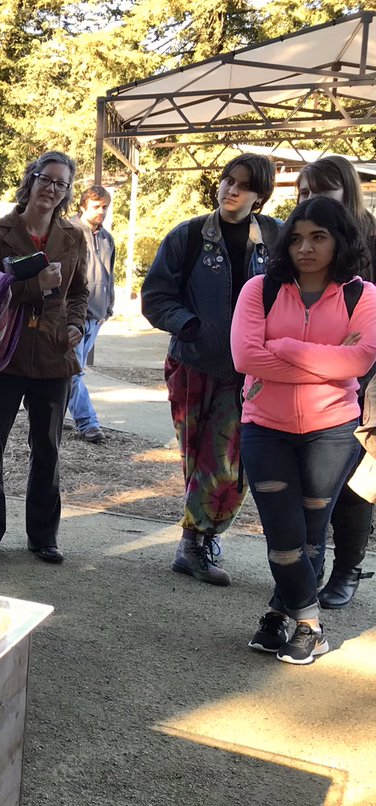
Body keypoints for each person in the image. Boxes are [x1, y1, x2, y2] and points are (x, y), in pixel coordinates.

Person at [233, 197, 376, 663]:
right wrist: (329, 362)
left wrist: (285, 347)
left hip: (331, 431)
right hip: (265, 427)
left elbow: (360, 360)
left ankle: (279, 615)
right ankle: (311, 625)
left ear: (340, 241)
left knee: (311, 534)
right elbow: (246, 357)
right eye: (296, 238)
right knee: (284, 535)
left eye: (318, 237)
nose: (305, 248)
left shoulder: (363, 296)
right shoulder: (259, 290)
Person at [141, 153, 281, 587]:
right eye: (227, 179)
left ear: (260, 195)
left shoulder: (276, 237)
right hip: (192, 363)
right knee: (196, 455)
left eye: (243, 184)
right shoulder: (187, 235)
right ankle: (194, 542)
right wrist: (189, 325)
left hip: (248, 373)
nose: (231, 189)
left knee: (226, 461)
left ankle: (195, 542)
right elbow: (155, 296)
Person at [0, 151, 89, 565]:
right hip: (3, 353)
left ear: (67, 192)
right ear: (30, 179)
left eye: (61, 184)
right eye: (46, 179)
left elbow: (79, 292)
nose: (52, 189)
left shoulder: (73, 237)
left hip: (54, 354)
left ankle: (43, 536)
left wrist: (77, 325)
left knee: (48, 449)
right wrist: (35, 285)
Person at [296, 156, 376, 609]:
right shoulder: (301, 241)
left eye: (322, 191)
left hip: (367, 382)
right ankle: (310, 567)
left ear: (347, 190)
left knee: (355, 482)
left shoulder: (371, 238)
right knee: (310, 479)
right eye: (304, 192)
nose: (310, 200)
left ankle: (348, 570)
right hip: (310, 380)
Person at [69, 185, 116, 444]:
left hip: (96, 315)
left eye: (105, 207)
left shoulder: (107, 238)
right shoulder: (69, 232)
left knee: (72, 373)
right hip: (73, 316)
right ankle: (88, 423)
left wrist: (108, 307)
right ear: (82, 206)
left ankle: (47, 414)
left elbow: (109, 273)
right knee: (73, 372)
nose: (102, 211)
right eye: (96, 206)